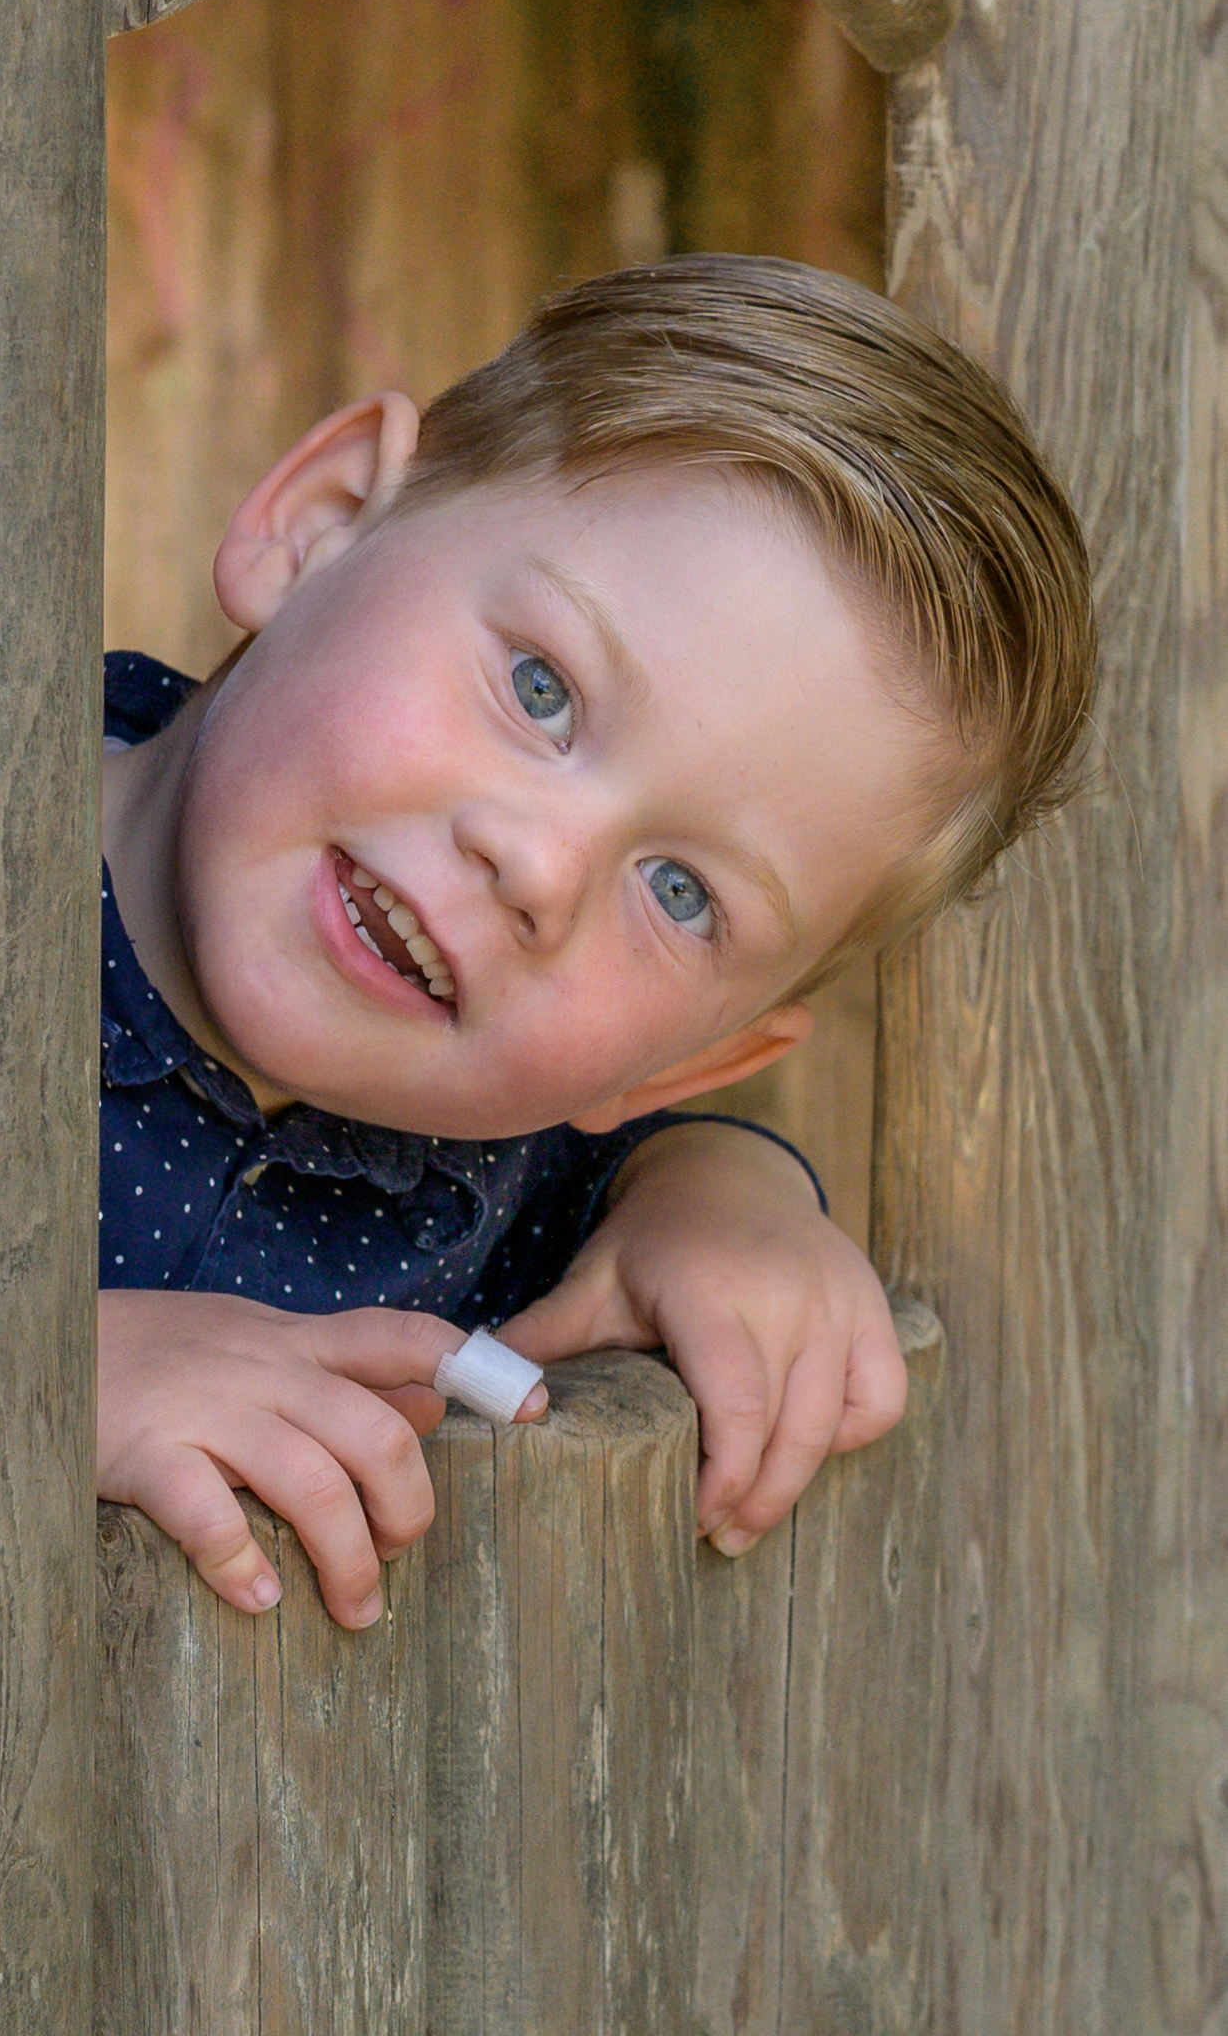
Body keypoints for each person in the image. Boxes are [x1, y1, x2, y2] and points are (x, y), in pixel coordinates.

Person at [96, 255, 1096, 1631]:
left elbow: (615, 1175)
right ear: (320, 526)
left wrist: (724, 1195)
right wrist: (40, 1380)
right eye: (540, 687)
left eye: (681, 893)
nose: (540, 868)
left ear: (686, 1061)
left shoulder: (492, 1197)